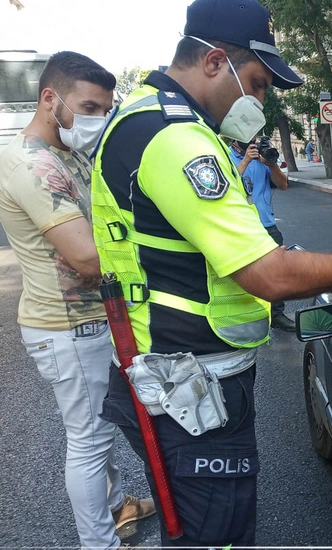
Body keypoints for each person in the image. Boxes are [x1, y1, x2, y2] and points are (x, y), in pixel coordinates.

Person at [90, 0, 332, 547]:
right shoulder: (176, 138)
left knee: (202, 531)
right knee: (219, 537)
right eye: (256, 83)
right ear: (214, 62)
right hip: (191, 387)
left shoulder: (146, 116)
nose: (258, 101)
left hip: (172, 374)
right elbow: (268, 276)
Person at [0, 51, 155, 550]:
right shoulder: (30, 164)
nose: (97, 119)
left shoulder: (67, 154)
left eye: (104, 109)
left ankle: (117, 506)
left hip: (93, 320)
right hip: (68, 327)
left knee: (98, 429)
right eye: (88, 108)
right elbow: (88, 258)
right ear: (51, 98)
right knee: (89, 439)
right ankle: (99, 543)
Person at [229, 137, 294, 331]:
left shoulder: (262, 156)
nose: (252, 140)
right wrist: (246, 161)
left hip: (266, 224)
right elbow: (228, 186)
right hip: (240, 225)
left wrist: (271, 165)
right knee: (243, 271)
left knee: (277, 270)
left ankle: (277, 315)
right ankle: (244, 315)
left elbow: (283, 184)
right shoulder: (226, 154)